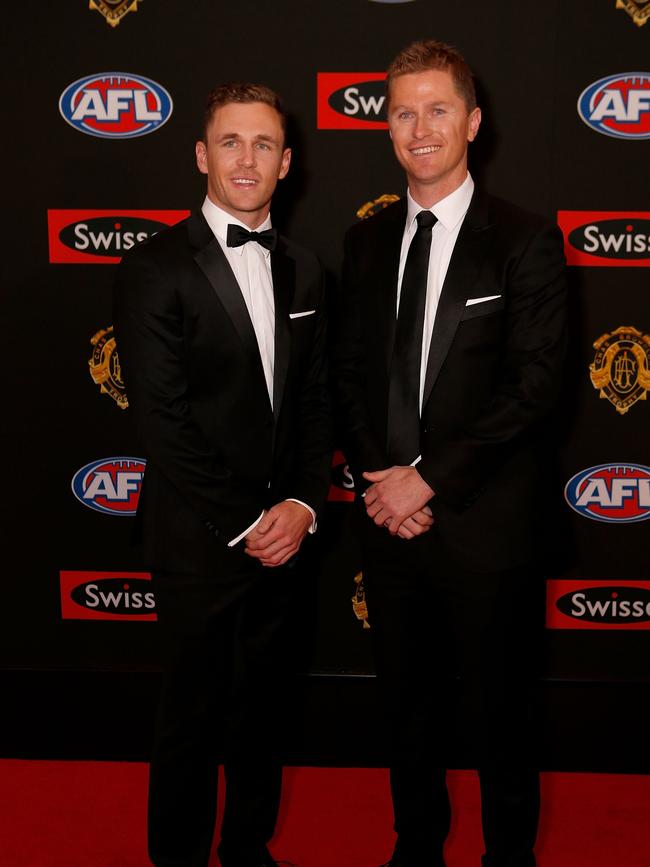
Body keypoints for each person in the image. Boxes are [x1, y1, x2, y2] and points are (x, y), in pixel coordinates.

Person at [333, 40, 567, 867]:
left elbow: (533, 390)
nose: (420, 127)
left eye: (437, 109)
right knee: (406, 711)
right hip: (388, 528)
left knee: (505, 718)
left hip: (486, 525)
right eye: (403, 111)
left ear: (472, 120)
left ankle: (509, 856)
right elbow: (348, 376)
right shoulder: (364, 243)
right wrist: (380, 485)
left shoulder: (526, 241)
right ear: (387, 125)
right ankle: (416, 847)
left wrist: (426, 480)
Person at [114, 82, 331, 867]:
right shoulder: (154, 268)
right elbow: (162, 423)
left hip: (286, 540)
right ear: (202, 155)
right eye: (231, 143)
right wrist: (251, 522)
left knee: (263, 718)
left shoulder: (306, 269)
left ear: (287, 162)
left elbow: (315, 405)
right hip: (200, 539)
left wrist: (304, 503)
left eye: (264, 144)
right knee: (191, 722)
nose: (247, 159)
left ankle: (247, 849)